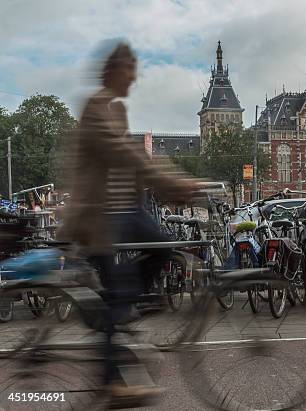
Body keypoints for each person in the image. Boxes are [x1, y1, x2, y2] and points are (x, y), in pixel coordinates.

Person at [59, 41, 200, 404]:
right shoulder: (95, 108)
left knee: (166, 249)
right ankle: (113, 381)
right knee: (114, 296)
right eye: (130, 71)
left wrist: (174, 186)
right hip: (98, 215)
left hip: (126, 208)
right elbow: (122, 153)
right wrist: (175, 183)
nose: (134, 78)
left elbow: (136, 161)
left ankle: (125, 308)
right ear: (114, 71)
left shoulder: (116, 109)